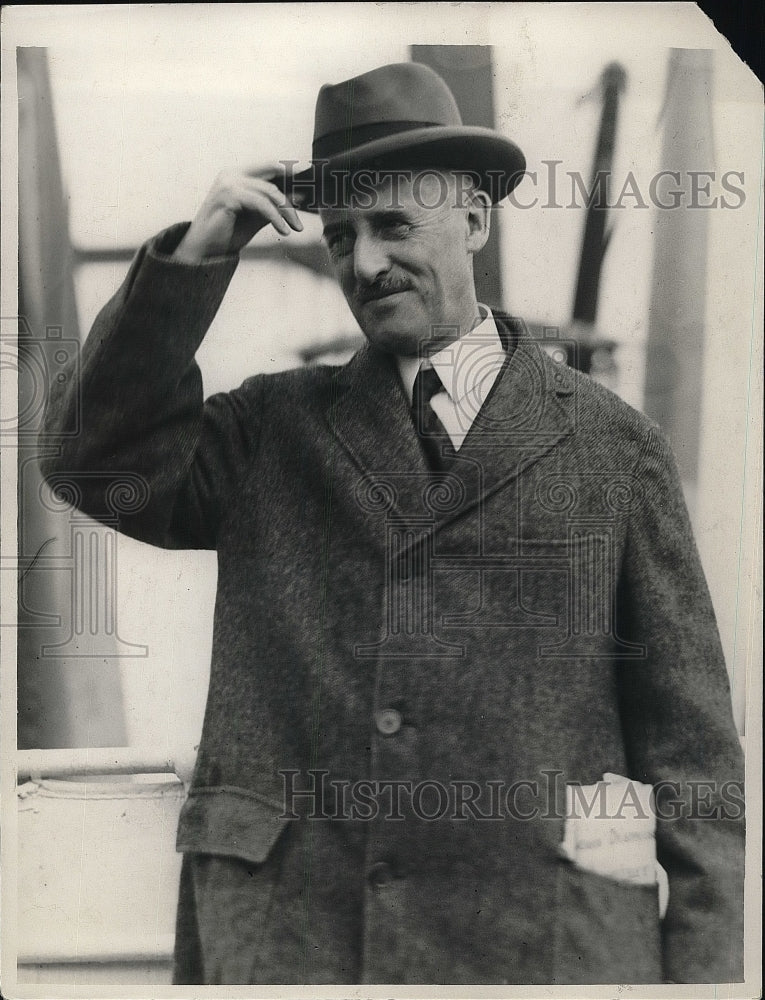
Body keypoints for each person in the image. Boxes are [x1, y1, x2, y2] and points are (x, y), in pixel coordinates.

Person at [41, 61, 744, 986]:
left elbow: (693, 761)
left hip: (535, 949)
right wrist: (199, 251)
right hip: (299, 942)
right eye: (340, 237)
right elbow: (91, 461)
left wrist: (707, 982)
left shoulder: (615, 450)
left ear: (476, 220)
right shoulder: (268, 431)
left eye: (394, 225)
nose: (364, 263)